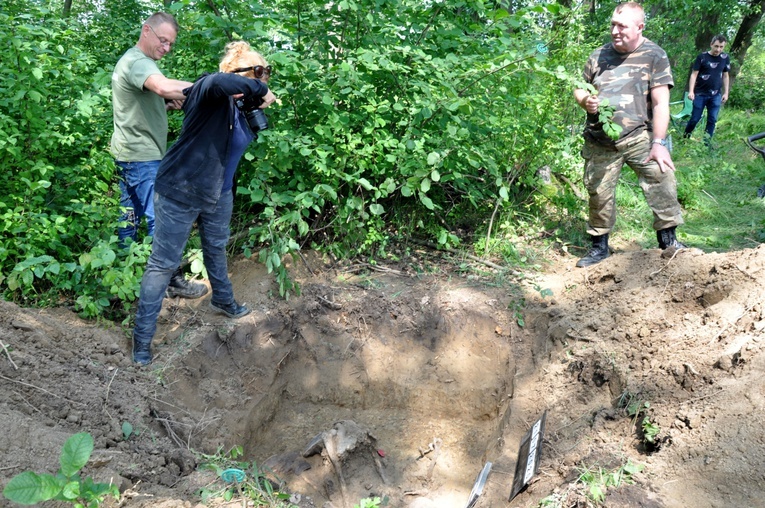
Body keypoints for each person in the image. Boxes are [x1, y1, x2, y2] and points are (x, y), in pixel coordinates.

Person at [131, 40, 278, 365]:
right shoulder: (209, 90)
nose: (262, 80)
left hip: (219, 193)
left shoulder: (241, 108)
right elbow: (216, 81)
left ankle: (222, 301)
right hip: (180, 190)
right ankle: (141, 341)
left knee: (216, 247)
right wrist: (256, 87)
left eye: (265, 74)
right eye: (256, 74)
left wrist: (254, 97)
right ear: (236, 75)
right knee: (163, 264)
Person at [573, 2, 685, 268]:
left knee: (661, 178)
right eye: (612, 24)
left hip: (639, 137)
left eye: (622, 26)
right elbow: (579, 88)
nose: (615, 30)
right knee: (598, 192)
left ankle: (668, 242)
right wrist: (584, 100)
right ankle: (599, 247)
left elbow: (661, 103)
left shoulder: (655, 55)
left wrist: (658, 143)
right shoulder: (598, 55)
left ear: (639, 27)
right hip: (600, 139)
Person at [111, 12, 207, 299]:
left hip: (128, 152)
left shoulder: (135, 62)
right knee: (160, 218)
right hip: (143, 156)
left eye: (170, 44)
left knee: (128, 218)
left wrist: (164, 108)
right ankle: (170, 281)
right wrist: (210, 86)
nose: (166, 48)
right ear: (146, 31)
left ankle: (121, 278)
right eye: (162, 40)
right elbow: (163, 87)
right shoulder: (138, 62)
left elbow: (136, 108)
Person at [683, 35, 731, 141]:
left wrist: (726, 92)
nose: (718, 49)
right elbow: (694, 74)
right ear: (711, 44)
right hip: (700, 94)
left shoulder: (725, 58)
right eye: (716, 46)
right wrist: (691, 91)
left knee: (712, 119)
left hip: (716, 95)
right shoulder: (702, 57)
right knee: (695, 119)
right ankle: (685, 138)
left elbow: (726, 76)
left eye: (721, 47)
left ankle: (706, 143)